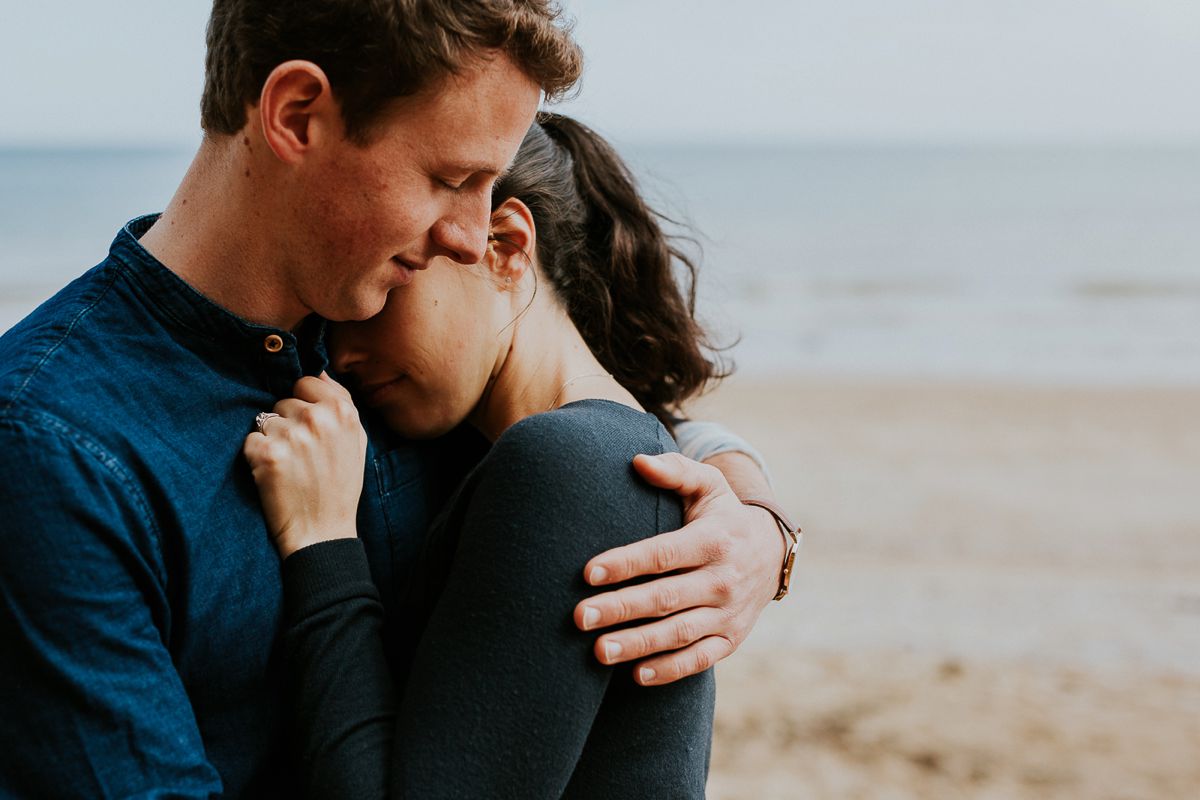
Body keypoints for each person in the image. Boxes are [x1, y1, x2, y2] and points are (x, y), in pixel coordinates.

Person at [0, 2, 793, 797]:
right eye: (450, 180)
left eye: (487, 183)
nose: (466, 234)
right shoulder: (53, 451)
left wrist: (754, 520)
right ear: (296, 116)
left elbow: (578, 418)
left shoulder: (391, 336)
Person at [245, 113, 737, 798]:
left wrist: (320, 543)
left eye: (383, 287)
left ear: (504, 245)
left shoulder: (569, 465)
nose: (341, 354)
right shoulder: (601, 446)